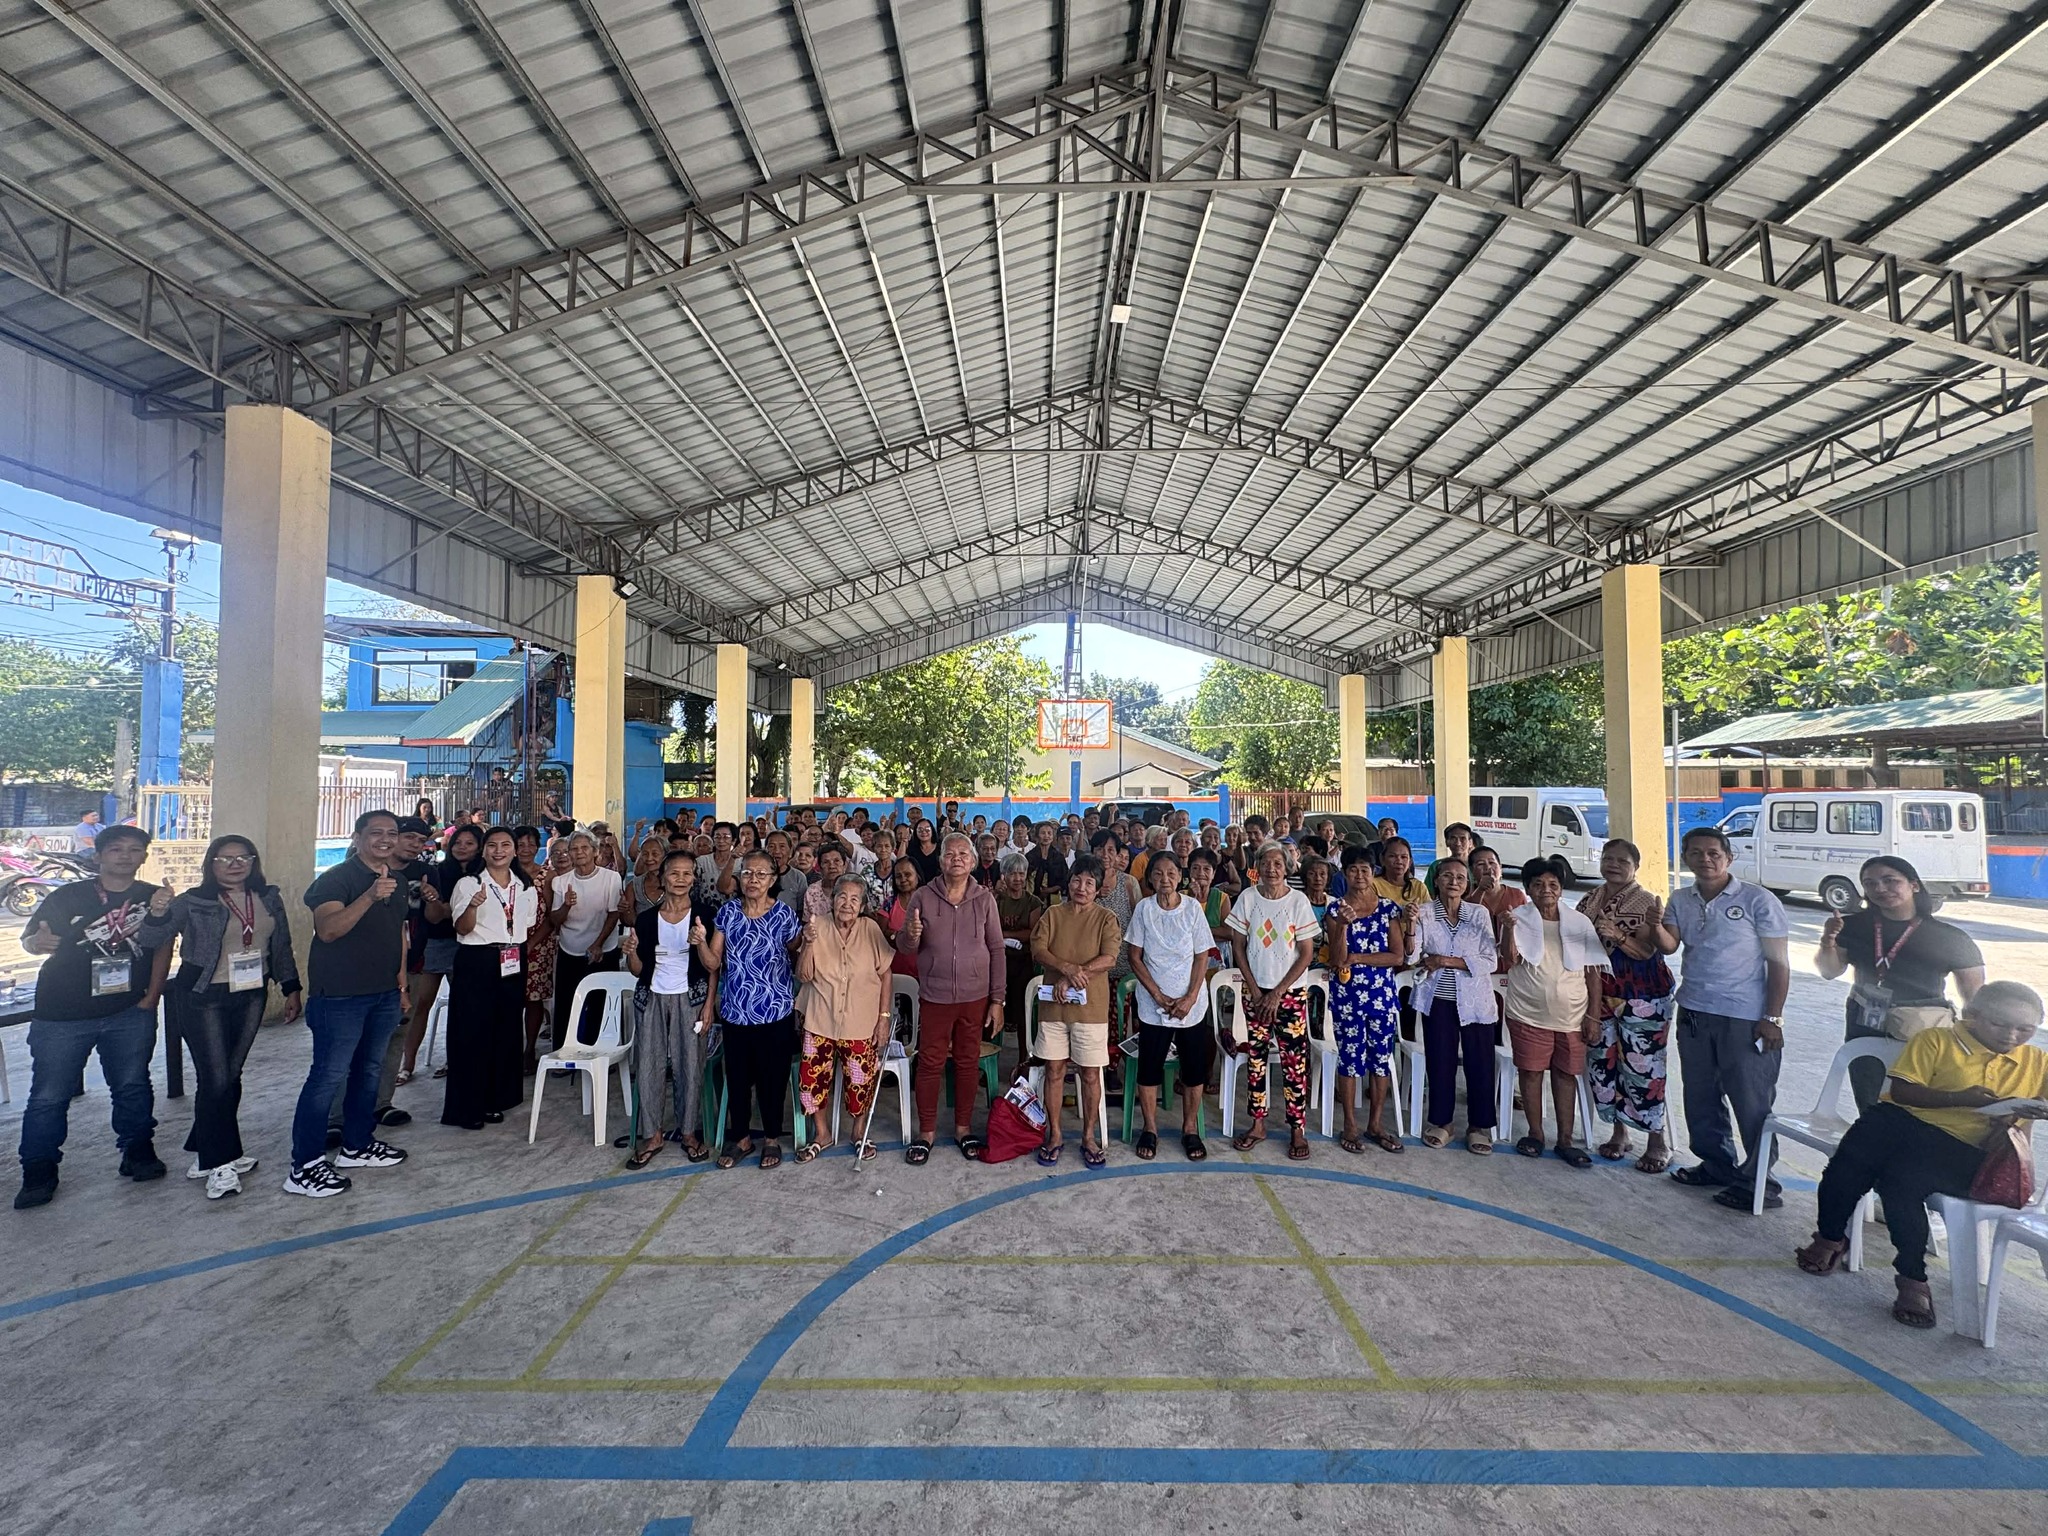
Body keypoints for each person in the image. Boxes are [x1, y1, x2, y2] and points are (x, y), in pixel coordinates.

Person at [1796, 982, 2048, 1330]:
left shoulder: (2037, 1062)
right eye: (1999, 1024)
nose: (2011, 1035)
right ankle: (1831, 1235)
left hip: (1965, 1150)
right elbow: (1901, 1091)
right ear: (1972, 1015)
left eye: (2025, 1029)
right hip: (1908, 1125)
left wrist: (2029, 1112)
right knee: (1853, 1158)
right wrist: (1963, 1099)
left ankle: (1911, 1275)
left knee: (1899, 1182)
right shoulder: (1936, 1040)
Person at [13, 825, 170, 1208]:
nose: (125, 856)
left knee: (132, 1085)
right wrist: (35, 942)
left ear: (144, 856)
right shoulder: (69, 895)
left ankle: (137, 1151)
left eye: (134, 849)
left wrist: (152, 997)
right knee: (49, 1096)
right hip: (62, 1015)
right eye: (115, 849)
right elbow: (31, 939)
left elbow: (163, 946)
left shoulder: (154, 897)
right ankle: (39, 1170)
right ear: (98, 856)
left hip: (128, 1011)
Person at [137, 835, 301, 1199]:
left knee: (230, 1074)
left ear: (254, 862)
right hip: (203, 995)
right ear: (211, 863)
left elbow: (281, 945)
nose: (235, 864)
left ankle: (206, 1146)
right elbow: (150, 939)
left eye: (243, 857)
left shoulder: (268, 897)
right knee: (216, 1078)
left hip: (251, 993)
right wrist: (158, 911)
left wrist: (291, 986)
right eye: (225, 858)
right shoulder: (192, 901)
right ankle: (220, 1161)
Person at [1654, 826, 1791, 1212]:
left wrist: (1773, 1017)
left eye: (1714, 853)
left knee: (1751, 1101)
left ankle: (1761, 1182)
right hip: (1695, 1011)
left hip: (1744, 1016)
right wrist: (1652, 925)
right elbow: (1670, 944)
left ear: (1729, 857)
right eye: (1695, 853)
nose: (1705, 859)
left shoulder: (1757, 900)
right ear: (1685, 858)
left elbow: (1779, 963)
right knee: (1700, 1095)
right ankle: (1716, 1164)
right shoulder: (1681, 899)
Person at [287, 810, 411, 1198]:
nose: (386, 839)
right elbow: (328, 930)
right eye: (376, 833)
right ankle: (305, 1165)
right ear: (357, 838)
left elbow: (399, 934)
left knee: (369, 1071)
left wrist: (402, 984)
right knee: (327, 1076)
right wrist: (370, 896)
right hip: (340, 997)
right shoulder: (335, 879)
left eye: (392, 832)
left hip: (384, 993)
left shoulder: (398, 880)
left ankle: (357, 1145)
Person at [1815, 855, 1986, 1110]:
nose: (1880, 889)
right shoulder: (1851, 926)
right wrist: (1828, 941)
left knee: (1918, 1100)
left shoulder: (1950, 937)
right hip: (1865, 1021)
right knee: (1870, 1101)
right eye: (1870, 883)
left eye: (1890, 880)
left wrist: (1974, 1044)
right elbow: (1829, 971)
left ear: (1913, 885)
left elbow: (1974, 997)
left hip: (1922, 1027)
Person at [896, 832, 1005, 1164]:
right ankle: (926, 1132)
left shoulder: (984, 899)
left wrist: (997, 1000)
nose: (956, 859)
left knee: (967, 1062)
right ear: (940, 860)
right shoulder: (922, 897)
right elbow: (905, 946)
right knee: (930, 1063)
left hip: (975, 996)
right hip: (936, 996)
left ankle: (962, 1128)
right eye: (950, 854)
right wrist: (909, 936)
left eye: (963, 854)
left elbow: (997, 949)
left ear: (973, 861)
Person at [1500, 857, 1609, 1167]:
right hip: (1527, 1012)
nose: (1546, 890)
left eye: (1552, 884)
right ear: (1528, 889)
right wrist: (1508, 930)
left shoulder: (1579, 922)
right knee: (1531, 1073)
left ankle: (1565, 1140)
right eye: (1538, 884)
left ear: (1561, 889)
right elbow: (1509, 959)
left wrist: (1593, 1016)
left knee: (1565, 1075)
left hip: (1573, 1016)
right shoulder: (1517, 918)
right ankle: (1535, 1134)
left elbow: (1593, 972)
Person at [1579, 838, 1676, 1172]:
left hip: (1643, 993)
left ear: (1636, 867)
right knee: (1604, 1063)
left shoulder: (1647, 902)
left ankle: (1657, 1140)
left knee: (1644, 1067)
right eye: (1608, 859)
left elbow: (1648, 951)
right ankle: (1619, 1133)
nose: (1614, 865)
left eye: (1622, 861)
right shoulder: (1589, 899)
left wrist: (1617, 936)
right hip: (1600, 992)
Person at [620, 849, 717, 1167]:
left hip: (691, 999)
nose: (681, 879)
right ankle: (653, 1134)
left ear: (694, 879)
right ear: (662, 877)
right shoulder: (647, 919)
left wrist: (708, 1005)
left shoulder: (705, 915)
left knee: (690, 1066)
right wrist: (631, 953)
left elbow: (713, 967)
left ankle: (688, 1132)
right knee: (649, 1066)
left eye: (687, 873)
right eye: (674, 873)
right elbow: (638, 970)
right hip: (651, 998)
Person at [1224, 841, 1318, 1160]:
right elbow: (1238, 946)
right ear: (1257, 867)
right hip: (1255, 992)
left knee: (1294, 1063)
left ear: (1287, 868)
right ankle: (1258, 1124)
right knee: (1257, 1059)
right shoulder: (1248, 898)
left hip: (1289, 995)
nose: (1272, 869)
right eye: (1266, 863)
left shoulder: (1298, 901)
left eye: (1278, 863)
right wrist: (1255, 991)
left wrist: (1277, 993)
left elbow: (1306, 954)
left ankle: (1297, 1129)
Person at [710, 849, 803, 1169]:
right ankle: (742, 1138)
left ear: (772, 879)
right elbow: (714, 961)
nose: (753, 880)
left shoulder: (784, 914)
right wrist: (700, 943)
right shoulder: (728, 912)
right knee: (737, 1077)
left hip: (775, 1010)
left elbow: (797, 953)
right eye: (747, 873)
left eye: (761, 874)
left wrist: (808, 939)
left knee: (772, 1078)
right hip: (736, 1010)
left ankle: (772, 1138)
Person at [794, 873, 896, 1162]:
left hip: (860, 1020)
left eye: (854, 899)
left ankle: (858, 1132)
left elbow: (886, 973)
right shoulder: (817, 926)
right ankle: (822, 1134)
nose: (847, 904)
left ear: (862, 906)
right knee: (812, 1079)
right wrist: (809, 943)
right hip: (820, 1017)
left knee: (860, 1080)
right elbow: (803, 975)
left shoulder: (870, 929)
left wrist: (884, 1017)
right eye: (842, 896)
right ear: (832, 899)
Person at [442, 827, 537, 1131]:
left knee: (505, 1030)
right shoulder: (469, 883)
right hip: (477, 960)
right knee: (472, 1032)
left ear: (514, 850)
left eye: (506, 845)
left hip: (512, 960)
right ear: (483, 851)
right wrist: (473, 906)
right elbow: (462, 928)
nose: (499, 851)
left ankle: (496, 1099)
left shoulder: (525, 886)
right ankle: (468, 1106)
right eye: (492, 845)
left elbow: (527, 923)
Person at [1030, 854, 1122, 1168]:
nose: (1082, 888)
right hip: (1053, 1008)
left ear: (1098, 888)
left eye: (1089, 883)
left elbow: (1109, 958)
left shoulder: (1106, 918)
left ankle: (1088, 1136)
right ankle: (1055, 1134)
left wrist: (1073, 976)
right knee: (1054, 1071)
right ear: (1068, 883)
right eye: (1077, 880)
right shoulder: (1053, 913)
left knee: (1090, 1074)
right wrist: (1067, 968)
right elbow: (1038, 949)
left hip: (1090, 1011)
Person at [1125, 849, 1215, 1162]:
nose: (1165, 879)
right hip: (1154, 1005)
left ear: (1180, 876)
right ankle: (1150, 1128)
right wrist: (1158, 996)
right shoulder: (1144, 909)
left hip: (1191, 1005)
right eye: (1158, 873)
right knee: (1149, 1067)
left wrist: (1190, 997)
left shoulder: (1192, 909)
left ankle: (1189, 1129)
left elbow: (1202, 956)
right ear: (1150, 878)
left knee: (1193, 1069)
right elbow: (1134, 957)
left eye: (1171, 873)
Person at [1412, 857, 1499, 1154]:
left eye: (1460, 877)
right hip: (1437, 1000)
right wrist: (1410, 927)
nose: (1453, 882)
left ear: (1467, 883)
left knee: (1480, 1064)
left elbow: (1490, 960)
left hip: (1476, 1002)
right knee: (1440, 1062)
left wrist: (1443, 961)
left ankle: (1479, 1126)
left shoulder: (1479, 914)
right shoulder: (1424, 912)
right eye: (1447, 876)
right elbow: (1413, 956)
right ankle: (1442, 1122)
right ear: (1436, 881)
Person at [1328, 847, 1407, 1156]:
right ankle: (1350, 1123)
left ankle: (1375, 1124)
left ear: (1373, 872)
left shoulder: (1388, 909)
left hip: (1381, 997)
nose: (1359, 875)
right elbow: (1337, 959)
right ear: (1344, 873)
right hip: (1347, 997)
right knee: (1349, 1059)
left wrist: (1359, 957)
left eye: (1365, 869)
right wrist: (1343, 926)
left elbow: (1397, 956)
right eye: (1353, 869)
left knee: (1380, 1060)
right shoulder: (1336, 910)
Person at [397, 823, 480, 1091]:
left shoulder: (484, 874)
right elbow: (436, 913)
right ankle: (407, 1063)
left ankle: (454, 1059)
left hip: (467, 945)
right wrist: (446, 908)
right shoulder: (436, 871)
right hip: (433, 942)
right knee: (421, 1004)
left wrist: (452, 909)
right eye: (458, 842)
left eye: (469, 843)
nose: (462, 847)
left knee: (462, 1007)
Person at [549, 830, 625, 1059]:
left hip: (603, 948)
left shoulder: (611, 878)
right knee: (566, 1003)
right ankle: (564, 1053)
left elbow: (614, 913)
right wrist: (567, 905)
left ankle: (601, 1054)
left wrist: (598, 944)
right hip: (570, 948)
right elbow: (555, 919)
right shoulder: (561, 882)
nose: (579, 852)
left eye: (584, 848)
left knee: (601, 1002)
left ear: (595, 851)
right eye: (574, 849)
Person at [1465, 846, 1526, 968]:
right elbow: (1467, 922)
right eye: (1480, 864)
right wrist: (1481, 889)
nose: (1488, 868)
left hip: (1512, 966)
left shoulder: (1517, 895)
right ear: (1471, 871)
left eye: (1492, 863)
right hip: (1480, 965)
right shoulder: (1468, 900)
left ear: (1500, 868)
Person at [1427, 823, 1478, 888]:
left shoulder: (1478, 865)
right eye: (1453, 838)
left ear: (1470, 843)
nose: (1458, 843)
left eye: (1463, 838)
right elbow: (1428, 892)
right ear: (1447, 842)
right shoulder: (1436, 866)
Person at [906, 819, 942, 884]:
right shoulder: (912, 849)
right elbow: (900, 861)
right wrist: (904, 840)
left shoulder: (941, 847)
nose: (924, 832)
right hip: (918, 886)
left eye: (927, 829)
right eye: (920, 830)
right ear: (916, 832)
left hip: (938, 885)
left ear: (932, 830)